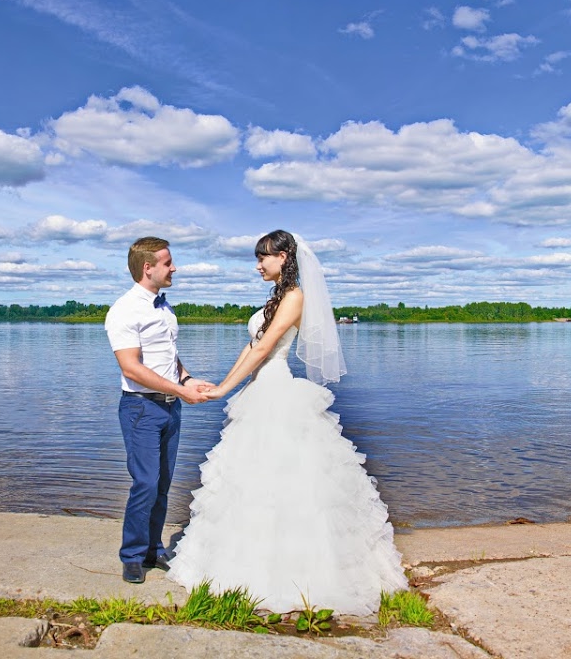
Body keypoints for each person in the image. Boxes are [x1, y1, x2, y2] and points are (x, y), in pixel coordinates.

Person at [166, 230, 407, 615]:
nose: (258, 265)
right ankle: (244, 564)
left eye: (264, 257)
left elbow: (264, 348)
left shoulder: (294, 296)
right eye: (257, 258)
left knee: (286, 482)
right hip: (261, 390)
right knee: (254, 481)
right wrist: (224, 383)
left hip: (277, 391)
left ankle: (294, 573)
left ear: (284, 256)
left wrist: (224, 389)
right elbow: (253, 345)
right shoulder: (277, 295)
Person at [105, 236, 212, 584]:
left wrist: (188, 378)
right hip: (141, 409)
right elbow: (131, 368)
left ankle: (154, 548)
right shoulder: (124, 309)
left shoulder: (164, 308)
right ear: (147, 267)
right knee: (146, 483)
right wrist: (181, 390)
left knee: (163, 484)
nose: (174, 267)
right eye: (168, 262)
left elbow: (168, 358)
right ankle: (132, 555)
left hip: (169, 408)